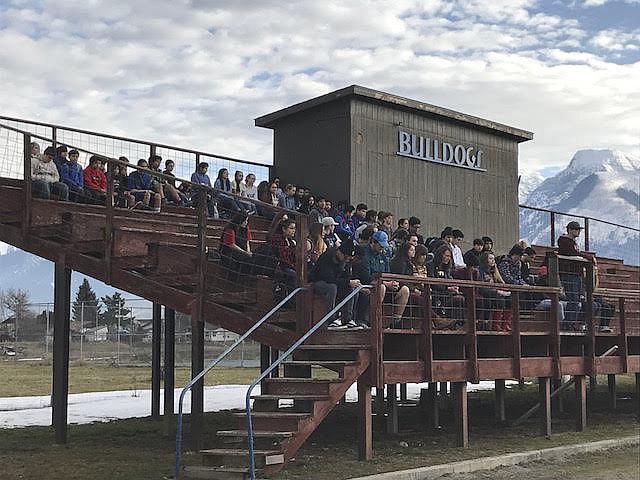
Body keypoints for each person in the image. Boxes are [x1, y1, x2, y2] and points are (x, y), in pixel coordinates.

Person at [358, 231, 410, 328]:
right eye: (380, 245)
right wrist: (385, 283)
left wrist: (392, 282)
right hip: (369, 285)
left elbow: (388, 272)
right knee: (381, 287)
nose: (382, 248)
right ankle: (373, 319)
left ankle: (396, 321)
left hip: (385, 284)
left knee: (404, 290)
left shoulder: (383, 256)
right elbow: (366, 275)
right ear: (373, 242)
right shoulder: (365, 254)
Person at [309, 239, 362, 330]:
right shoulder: (328, 257)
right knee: (332, 288)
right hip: (318, 282)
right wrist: (347, 282)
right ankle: (331, 319)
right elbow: (328, 278)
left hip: (336, 283)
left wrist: (351, 282)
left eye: (349, 258)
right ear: (340, 252)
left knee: (351, 289)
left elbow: (346, 277)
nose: (347, 260)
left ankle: (348, 319)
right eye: (346, 257)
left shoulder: (345, 262)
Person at [558, 221, 596, 331]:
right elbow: (572, 253)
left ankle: (571, 323)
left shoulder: (573, 242)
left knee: (577, 299)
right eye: (576, 229)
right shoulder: (565, 241)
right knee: (573, 299)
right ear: (570, 230)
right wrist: (588, 257)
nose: (578, 231)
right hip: (569, 274)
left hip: (575, 274)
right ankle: (567, 323)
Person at [426, 244, 465, 327]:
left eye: (450, 256)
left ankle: (457, 324)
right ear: (440, 255)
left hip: (446, 293)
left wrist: (454, 287)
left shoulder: (446, 268)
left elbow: (449, 280)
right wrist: (447, 288)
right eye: (446, 256)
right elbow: (433, 282)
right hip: (436, 293)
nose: (448, 258)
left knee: (460, 298)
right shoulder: (430, 265)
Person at [478, 252, 512, 331]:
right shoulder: (480, 271)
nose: (493, 261)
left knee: (510, 300)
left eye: (493, 259)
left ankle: (505, 325)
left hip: (495, 292)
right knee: (500, 300)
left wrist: (504, 291)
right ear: (485, 260)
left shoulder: (494, 271)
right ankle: (495, 325)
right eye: (490, 259)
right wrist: (497, 292)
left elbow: (501, 283)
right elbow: (482, 288)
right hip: (485, 292)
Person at [219, 212, 253, 280]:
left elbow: (247, 241)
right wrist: (244, 252)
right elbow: (231, 244)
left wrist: (248, 251)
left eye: (247, 221)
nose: (246, 223)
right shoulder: (230, 229)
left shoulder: (246, 228)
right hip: (230, 252)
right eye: (245, 221)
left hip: (242, 251)